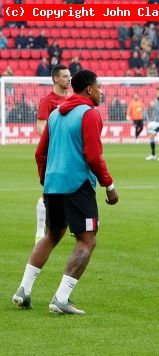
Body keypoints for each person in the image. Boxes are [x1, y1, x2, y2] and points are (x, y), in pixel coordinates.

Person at [12, 70, 119, 314]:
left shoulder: (54, 116)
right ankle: (61, 298)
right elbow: (93, 156)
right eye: (99, 87)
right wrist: (109, 185)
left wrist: (46, 180)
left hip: (52, 184)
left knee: (52, 234)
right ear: (89, 90)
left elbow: (40, 153)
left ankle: (23, 290)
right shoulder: (89, 114)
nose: (101, 92)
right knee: (87, 240)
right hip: (77, 184)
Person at [34, 65, 72, 244]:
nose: (69, 79)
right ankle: (40, 230)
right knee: (49, 190)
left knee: (72, 187)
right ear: (56, 79)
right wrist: (55, 142)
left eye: (69, 76)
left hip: (69, 153)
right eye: (65, 76)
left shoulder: (72, 100)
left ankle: (74, 225)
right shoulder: (47, 101)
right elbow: (40, 126)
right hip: (53, 153)